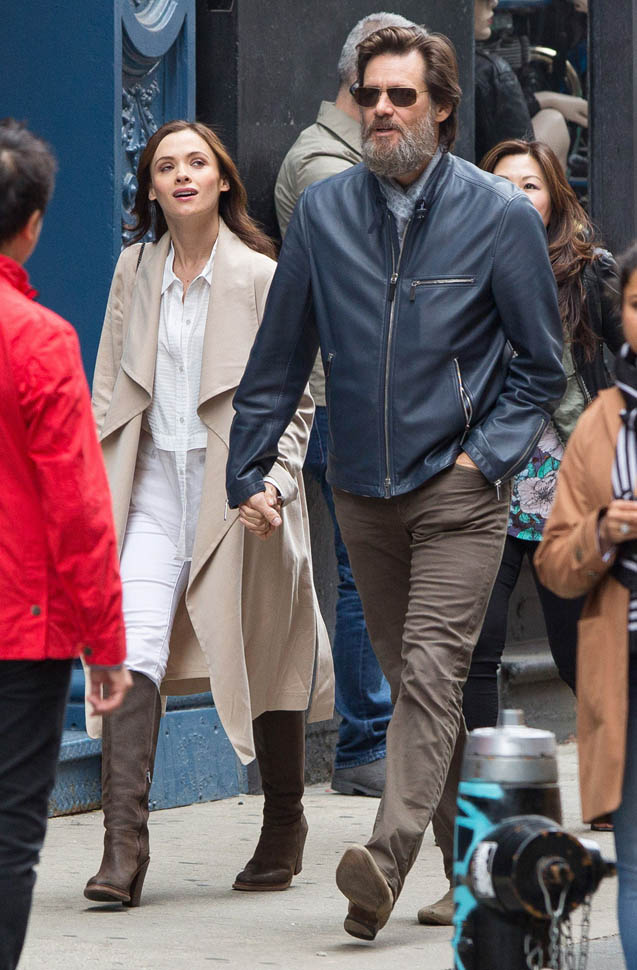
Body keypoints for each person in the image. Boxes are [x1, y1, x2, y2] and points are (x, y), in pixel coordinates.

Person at [226, 25, 565, 941]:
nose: (380, 109)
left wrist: (482, 459)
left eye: (401, 96)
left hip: (459, 486)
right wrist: (246, 468)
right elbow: (279, 355)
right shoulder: (323, 213)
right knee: (422, 687)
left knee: (429, 672)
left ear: (441, 109)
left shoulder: (497, 215)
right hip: (361, 489)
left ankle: (382, 860)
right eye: (369, 94)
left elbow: (541, 366)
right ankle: (471, 869)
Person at [84, 120, 334, 907]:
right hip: (152, 485)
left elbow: (298, 397)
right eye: (166, 166)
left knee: (265, 649)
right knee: (130, 641)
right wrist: (93, 489)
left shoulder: (261, 274)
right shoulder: (134, 269)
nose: (182, 175)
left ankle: (284, 822)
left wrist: (275, 483)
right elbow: (107, 387)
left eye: (197, 162)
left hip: (239, 486)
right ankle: (123, 850)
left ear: (223, 179)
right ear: (151, 188)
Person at [0, 118, 131, 970]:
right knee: (10, 826)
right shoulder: (40, 340)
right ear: (34, 223)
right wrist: (105, 643)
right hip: (21, 623)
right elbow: (77, 507)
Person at [276, 12, 417, 799]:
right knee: (363, 574)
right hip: (342, 398)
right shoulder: (324, 165)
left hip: (373, 395)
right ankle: (364, 745)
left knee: (379, 570)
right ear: (358, 83)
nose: (395, 107)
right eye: (386, 90)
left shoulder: (358, 158)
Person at [461, 138, 622, 735]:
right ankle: (483, 781)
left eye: (529, 185)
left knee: (578, 652)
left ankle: (619, 775)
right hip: (488, 480)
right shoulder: (460, 270)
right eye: (502, 185)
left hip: (573, 490)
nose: (515, 196)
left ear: (554, 198)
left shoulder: (590, 271)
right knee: (475, 649)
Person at [534, 242, 637, 969]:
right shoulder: (600, 422)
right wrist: (602, 532)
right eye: (636, 304)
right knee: (636, 862)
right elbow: (554, 561)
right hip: (623, 666)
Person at [474, 0, 588, 169]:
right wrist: (545, 100)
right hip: (491, 174)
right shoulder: (492, 71)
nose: (493, 2)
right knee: (553, 122)